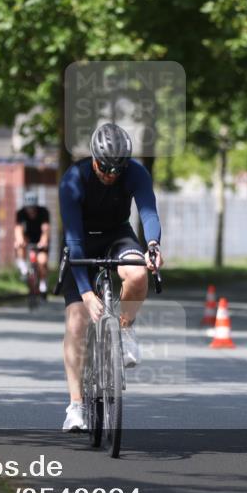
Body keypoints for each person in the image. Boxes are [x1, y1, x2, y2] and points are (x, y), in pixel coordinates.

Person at [58, 122, 163, 432]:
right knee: (77, 322)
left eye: (118, 169)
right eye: (105, 168)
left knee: (137, 273)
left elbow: (148, 212)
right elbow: (74, 242)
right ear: (94, 159)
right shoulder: (73, 181)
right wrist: (87, 294)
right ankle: (76, 406)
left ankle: (125, 330)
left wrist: (153, 245)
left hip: (118, 235)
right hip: (82, 242)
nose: (111, 175)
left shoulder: (136, 173)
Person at [14, 190, 51, 297]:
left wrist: (43, 241)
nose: (30, 211)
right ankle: (23, 267)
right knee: (18, 244)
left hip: (40, 240)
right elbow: (18, 229)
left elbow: (45, 229)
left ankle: (43, 284)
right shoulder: (20, 213)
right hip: (28, 239)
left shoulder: (43, 212)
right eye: (28, 208)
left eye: (32, 208)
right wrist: (19, 240)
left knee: (42, 261)